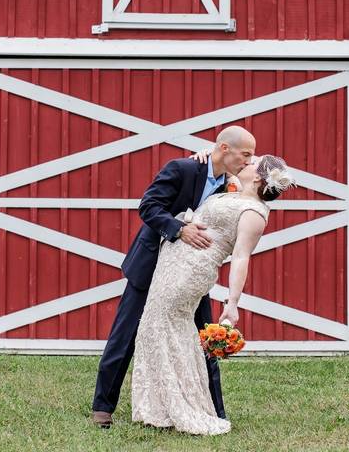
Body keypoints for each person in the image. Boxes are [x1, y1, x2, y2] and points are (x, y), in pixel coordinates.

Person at [90, 126, 257, 428]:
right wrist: (180, 229)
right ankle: (102, 407)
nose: (249, 160)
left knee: (204, 338)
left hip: (191, 275)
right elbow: (149, 206)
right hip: (152, 265)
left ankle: (214, 410)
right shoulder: (182, 168)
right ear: (223, 148)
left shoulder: (229, 185)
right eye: (245, 154)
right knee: (125, 335)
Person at [130, 154, 295, 435]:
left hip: (190, 272)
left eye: (252, 162)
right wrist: (204, 154)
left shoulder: (254, 213)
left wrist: (233, 304)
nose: (246, 163)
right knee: (155, 329)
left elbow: (241, 257)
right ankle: (159, 406)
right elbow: (217, 165)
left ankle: (184, 406)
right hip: (171, 264)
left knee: (166, 329)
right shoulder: (234, 192)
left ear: (257, 177)